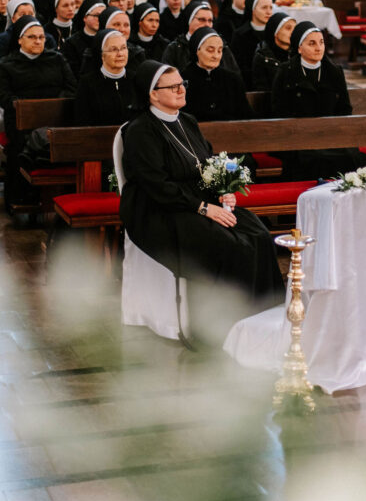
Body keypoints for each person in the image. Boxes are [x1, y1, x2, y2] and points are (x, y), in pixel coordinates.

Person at [119, 60, 283, 344]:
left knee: (256, 231)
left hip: (199, 200)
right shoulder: (140, 131)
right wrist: (204, 208)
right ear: (152, 94)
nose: (182, 89)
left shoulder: (188, 121)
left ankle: (262, 315)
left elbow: (207, 164)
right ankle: (221, 324)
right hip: (158, 209)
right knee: (227, 243)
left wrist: (222, 190)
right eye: (173, 86)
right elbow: (155, 184)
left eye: (183, 84)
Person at [270, 21, 366, 180]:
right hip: (298, 137)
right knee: (311, 159)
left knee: (350, 156)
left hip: (332, 135)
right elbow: (279, 110)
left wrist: (333, 131)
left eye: (321, 42)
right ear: (299, 48)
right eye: (311, 43)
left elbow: (345, 109)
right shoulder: (286, 71)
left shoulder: (334, 71)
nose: (318, 48)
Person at [0, 15, 76, 210]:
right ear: (20, 39)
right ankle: (21, 198)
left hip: (57, 118)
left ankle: (63, 197)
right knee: (21, 147)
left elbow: (72, 87)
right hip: (22, 122)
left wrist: (53, 106)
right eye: (32, 37)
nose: (38, 41)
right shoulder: (7, 64)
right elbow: (4, 96)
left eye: (41, 37)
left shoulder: (56, 59)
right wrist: (28, 109)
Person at [182, 27, 252, 123]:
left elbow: (246, 115)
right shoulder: (183, 79)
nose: (216, 56)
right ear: (197, 50)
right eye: (210, 50)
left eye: (219, 51)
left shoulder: (233, 79)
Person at [74, 29, 137, 126]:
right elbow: (82, 122)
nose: (120, 54)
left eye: (123, 48)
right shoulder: (87, 83)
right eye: (113, 49)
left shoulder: (136, 79)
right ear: (102, 55)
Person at [164, 0, 240, 76]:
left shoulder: (222, 47)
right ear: (189, 20)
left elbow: (234, 76)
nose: (207, 24)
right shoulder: (175, 48)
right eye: (201, 20)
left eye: (210, 20)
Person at [230, 0, 273, 88]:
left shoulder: (274, 33)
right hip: (247, 83)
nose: (269, 12)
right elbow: (237, 65)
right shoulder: (240, 34)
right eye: (264, 8)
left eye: (271, 7)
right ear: (252, 10)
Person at [251, 12, 296, 93]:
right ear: (275, 31)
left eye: (295, 29)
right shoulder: (262, 56)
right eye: (288, 28)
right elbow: (262, 91)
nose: (293, 32)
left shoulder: (299, 52)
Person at [61, 0, 105, 78]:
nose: (100, 19)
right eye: (97, 15)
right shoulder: (71, 43)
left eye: (103, 15)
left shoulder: (109, 39)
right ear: (85, 17)